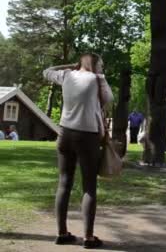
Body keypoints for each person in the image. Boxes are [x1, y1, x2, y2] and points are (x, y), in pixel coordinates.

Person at [43, 53, 113, 249]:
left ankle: (61, 233)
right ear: (95, 64)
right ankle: (88, 238)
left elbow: (46, 71)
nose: (102, 67)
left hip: (65, 132)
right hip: (88, 135)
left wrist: (71, 65)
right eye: (101, 64)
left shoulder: (66, 75)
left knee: (64, 183)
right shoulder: (98, 79)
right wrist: (98, 75)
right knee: (89, 186)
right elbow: (109, 99)